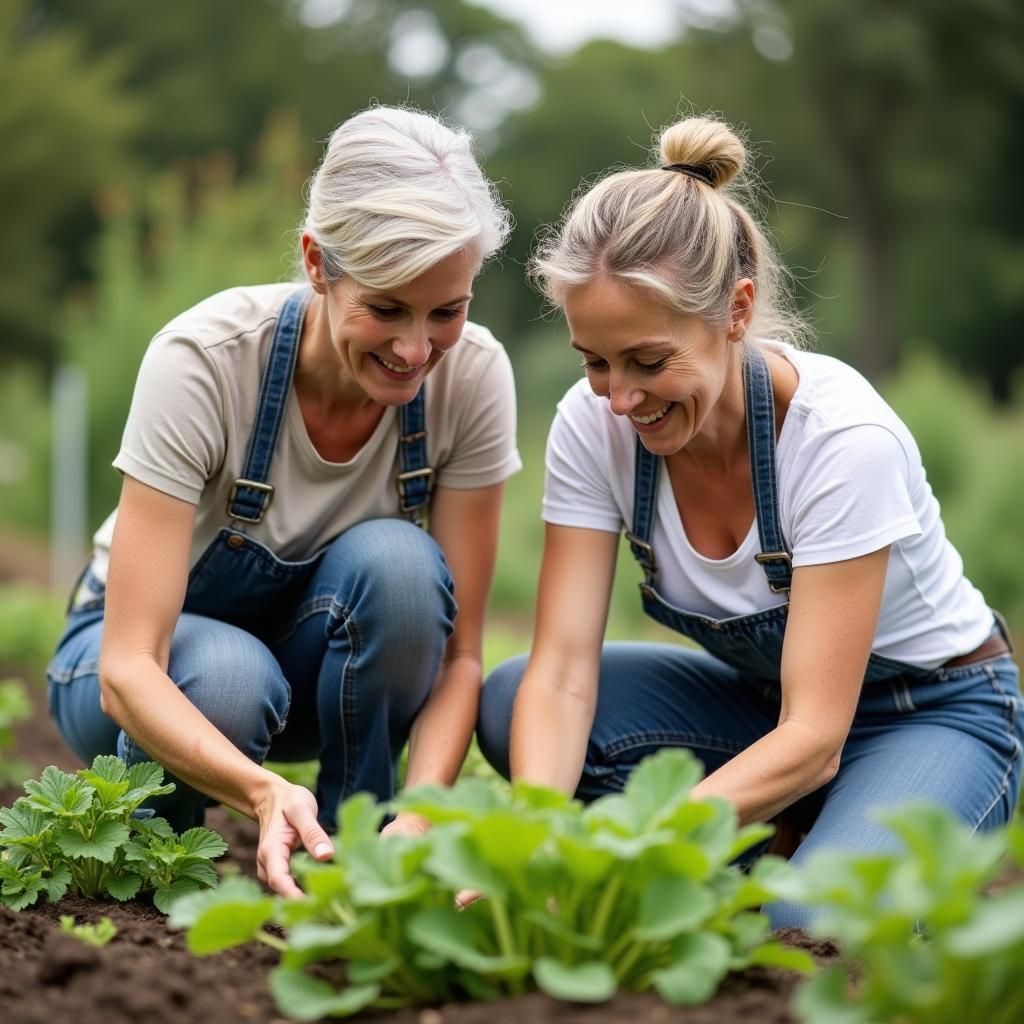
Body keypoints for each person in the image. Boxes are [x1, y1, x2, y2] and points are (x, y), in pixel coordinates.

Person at [477, 115, 1022, 927]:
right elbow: (561, 672)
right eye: (596, 360)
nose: (620, 398)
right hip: (765, 710)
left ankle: (861, 844)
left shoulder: (842, 444)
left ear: (736, 312)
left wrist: (633, 851)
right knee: (512, 696)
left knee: (807, 929)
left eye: (650, 361)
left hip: (930, 710)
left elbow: (815, 736)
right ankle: (782, 837)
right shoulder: (592, 425)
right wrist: (529, 849)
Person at [47, 106, 521, 898]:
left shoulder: (472, 378)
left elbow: (462, 656)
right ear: (316, 262)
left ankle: (361, 854)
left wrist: (431, 804)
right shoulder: (204, 360)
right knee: (231, 677)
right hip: (133, 672)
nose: (415, 350)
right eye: (385, 308)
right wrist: (263, 790)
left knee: (402, 570)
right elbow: (128, 668)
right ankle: (163, 870)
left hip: (310, 672)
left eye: (447, 310)